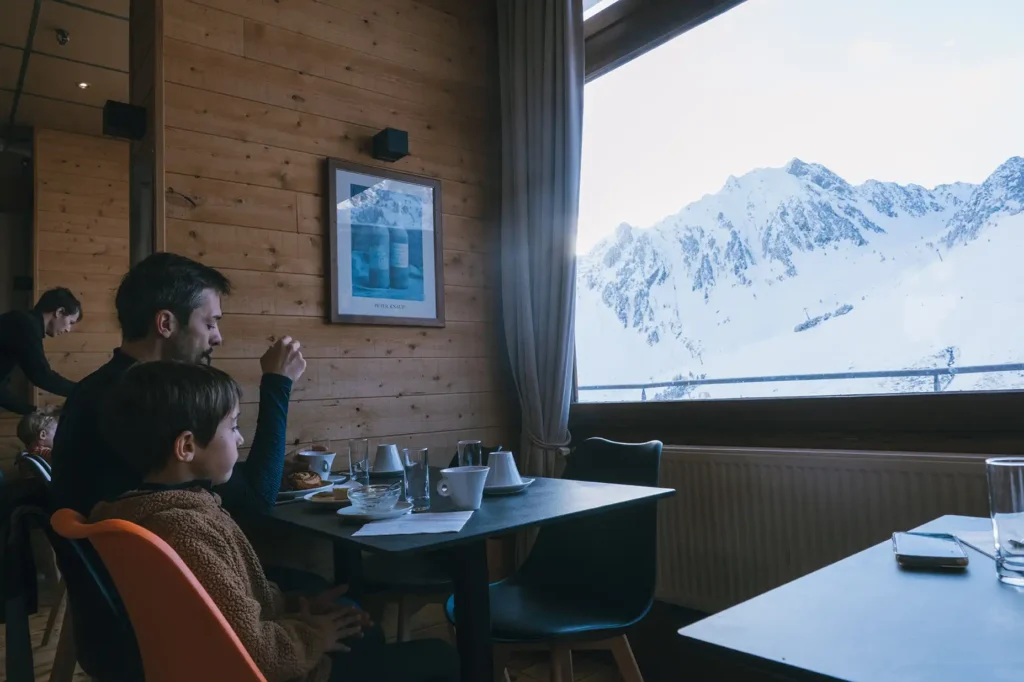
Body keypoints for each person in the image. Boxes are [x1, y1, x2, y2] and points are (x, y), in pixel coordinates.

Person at [93, 361, 458, 682]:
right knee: (440, 656)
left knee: (362, 631)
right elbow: (256, 653)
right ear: (186, 447)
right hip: (271, 671)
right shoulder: (187, 531)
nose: (239, 437)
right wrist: (314, 633)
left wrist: (294, 605)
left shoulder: (140, 516)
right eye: (233, 426)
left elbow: (228, 606)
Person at [51, 252, 305, 516]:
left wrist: (273, 465)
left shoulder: (94, 387)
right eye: (210, 323)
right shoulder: (151, 399)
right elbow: (254, 500)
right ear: (165, 323)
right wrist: (278, 383)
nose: (218, 338)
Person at [0, 287, 81, 415]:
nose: (68, 329)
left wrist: (35, 411)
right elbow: (42, 376)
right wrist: (83, 390)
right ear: (59, 312)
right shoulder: (25, 325)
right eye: (70, 322)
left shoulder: (23, 323)